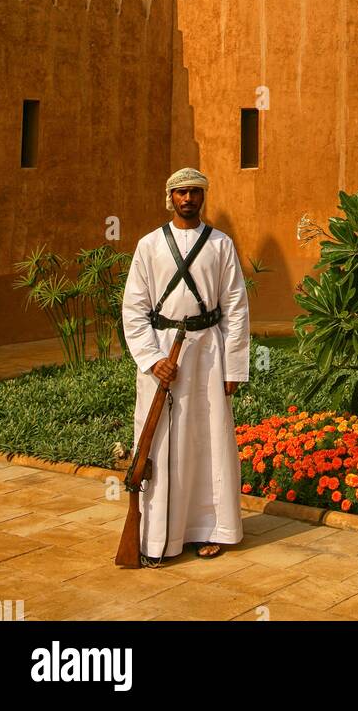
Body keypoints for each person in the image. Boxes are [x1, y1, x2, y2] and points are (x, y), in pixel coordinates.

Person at [121, 167, 250, 565]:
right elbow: (134, 310)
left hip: (208, 355)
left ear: (203, 197)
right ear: (170, 197)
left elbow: (235, 309)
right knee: (156, 444)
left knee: (206, 441)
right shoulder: (148, 246)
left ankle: (208, 529)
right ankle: (157, 537)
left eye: (194, 192)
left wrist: (232, 369)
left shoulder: (221, 245)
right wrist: (152, 359)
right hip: (162, 355)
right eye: (181, 193)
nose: (188, 199)